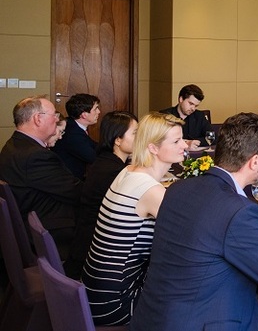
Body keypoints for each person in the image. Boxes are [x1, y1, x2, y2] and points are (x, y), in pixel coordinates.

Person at [129, 112, 258, 331]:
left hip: (153, 320)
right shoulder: (240, 210)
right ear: (255, 161)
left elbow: (205, 242)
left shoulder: (177, 189)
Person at [82, 112, 186, 325]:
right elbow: (191, 236)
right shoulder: (150, 190)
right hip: (115, 302)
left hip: (94, 290)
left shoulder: (127, 171)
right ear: (153, 148)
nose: (184, 145)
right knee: (195, 294)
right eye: (176, 141)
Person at [0, 96, 81, 256]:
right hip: (47, 231)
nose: (57, 120)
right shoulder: (35, 155)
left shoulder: (13, 145)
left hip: (32, 220)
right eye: (54, 116)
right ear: (38, 118)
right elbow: (75, 192)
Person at [66, 111, 137, 279]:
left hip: (86, 242)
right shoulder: (113, 172)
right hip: (93, 256)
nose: (140, 138)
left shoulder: (106, 161)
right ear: (118, 140)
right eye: (135, 133)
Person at [53, 93, 100, 180]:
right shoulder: (72, 133)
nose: (99, 112)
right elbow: (93, 157)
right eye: (95, 109)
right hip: (68, 182)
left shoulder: (73, 125)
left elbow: (94, 145)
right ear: (84, 115)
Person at [160, 84, 211, 150]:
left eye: (196, 106)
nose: (193, 108)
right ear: (181, 99)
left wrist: (193, 142)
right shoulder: (164, 115)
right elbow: (160, 139)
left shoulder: (199, 116)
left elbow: (211, 137)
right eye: (191, 103)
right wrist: (186, 142)